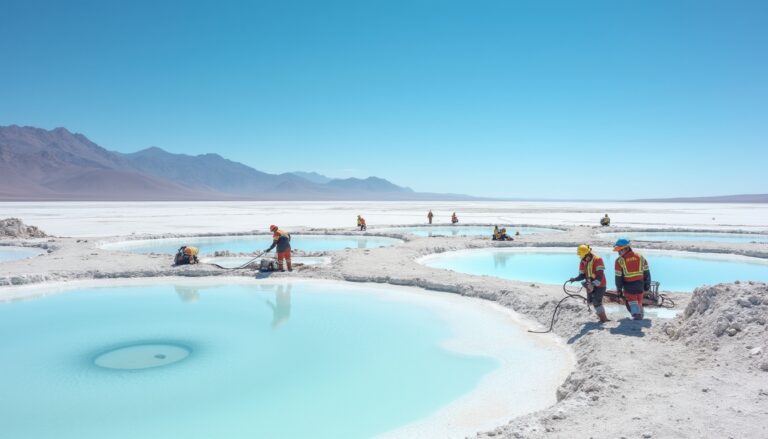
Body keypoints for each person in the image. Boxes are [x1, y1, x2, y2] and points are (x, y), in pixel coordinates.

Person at [569, 244, 609, 322]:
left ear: (587, 254)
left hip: (600, 285)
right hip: (589, 285)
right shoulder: (583, 262)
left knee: (597, 301)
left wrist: (593, 284)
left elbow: (600, 274)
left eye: (582, 256)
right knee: (590, 302)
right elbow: (582, 275)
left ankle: (604, 319)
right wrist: (575, 279)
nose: (582, 258)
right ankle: (600, 317)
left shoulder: (597, 259)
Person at [613, 238, 651, 320]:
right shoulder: (640, 257)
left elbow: (618, 277)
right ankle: (640, 314)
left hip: (629, 285)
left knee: (631, 301)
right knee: (639, 299)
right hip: (640, 284)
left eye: (620, 250)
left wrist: (619, 289)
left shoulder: (619, 261)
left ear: (626, 248)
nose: (618, 252)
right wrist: (647, 284)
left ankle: (637, 316)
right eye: (618, 251)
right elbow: (647, 272)